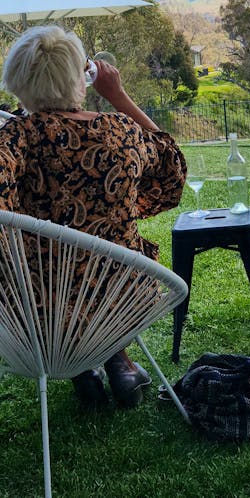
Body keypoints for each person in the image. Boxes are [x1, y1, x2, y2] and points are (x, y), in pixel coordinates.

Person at [0, 25, 187, 408]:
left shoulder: (15, 138)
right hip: (122, 296)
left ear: (19, 83)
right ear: (79, 79)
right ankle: (118, 361)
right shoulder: (120, 131)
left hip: (37, 315)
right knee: (99, 270)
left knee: (53, 278)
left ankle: (82, 368)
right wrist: (118, 95)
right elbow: (172, 172)